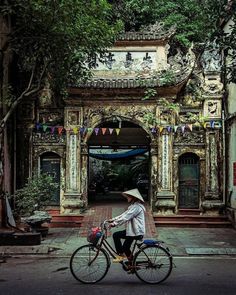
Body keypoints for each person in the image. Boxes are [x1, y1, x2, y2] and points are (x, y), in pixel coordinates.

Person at [108, 188, 146, 263]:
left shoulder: (136, 207)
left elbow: (126, 217)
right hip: (132, 231)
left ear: (133, 198)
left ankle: (121, 255)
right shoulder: (133, 206)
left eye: (129, 196)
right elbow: (124, 214)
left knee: (116, 235)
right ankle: (131, 264)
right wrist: (113, 219)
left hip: (135, 232)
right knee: (126, 247)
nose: (127, 198)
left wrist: (114, 224)